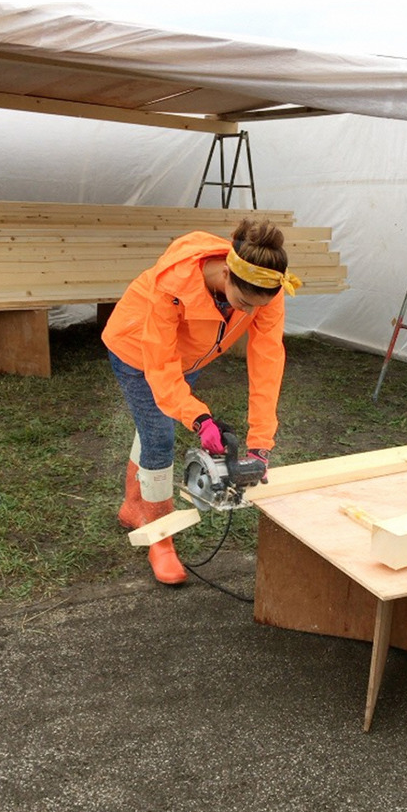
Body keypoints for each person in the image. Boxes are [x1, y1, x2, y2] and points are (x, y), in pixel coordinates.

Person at [101, 219, 301, 585]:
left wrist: (261, 442)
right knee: (159, 437)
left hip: (189, 355)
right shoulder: (173, 285)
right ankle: (161, 539)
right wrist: (199, 419)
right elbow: (160, 370)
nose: (250, 313)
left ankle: (133, 507)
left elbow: (268, 361)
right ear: (226, 272)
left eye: (257, 307)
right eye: (242, 304)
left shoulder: (265, 288)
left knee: (151, 426)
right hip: (136, 350)